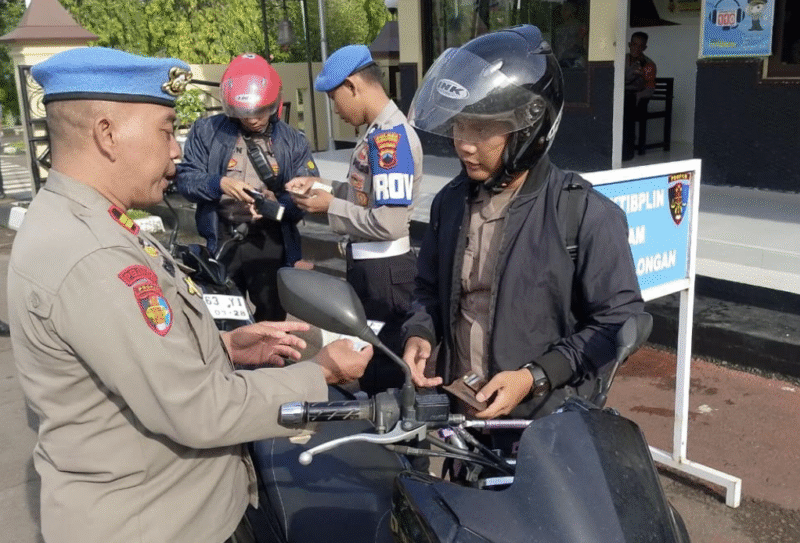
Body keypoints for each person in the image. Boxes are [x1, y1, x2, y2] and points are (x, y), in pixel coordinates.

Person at [7, 47, 372, 543]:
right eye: (165, 129)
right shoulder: (92, 257)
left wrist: (224, 347)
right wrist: (321, 373)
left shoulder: (88, 223)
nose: (176, 150)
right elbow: (200, 409)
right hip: (157, 524)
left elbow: (131, 363)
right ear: (107, 134)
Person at [401, 25, 644, 421]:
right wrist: (420, 333)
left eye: (481, 126)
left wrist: (535, 377)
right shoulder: (449, 204)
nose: (464, 142)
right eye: (459, 123)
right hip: (461, 417)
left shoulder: (585, 214)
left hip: (545, 424)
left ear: (528, 129)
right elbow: (428, 289)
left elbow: (618, 321)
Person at [285, 45, 423, 396]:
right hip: (373, 268)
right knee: (375, 368)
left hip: (386, 272)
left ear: (352, 86)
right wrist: (320, 186)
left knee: (389, 377)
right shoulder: (377, 132)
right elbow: (365, 193)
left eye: (335, 99)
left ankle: (404, 449)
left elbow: (389, 223)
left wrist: (329, 205)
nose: (336, 110)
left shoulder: (391, 139)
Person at [175, 53, 319, 322]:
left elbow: (308, 198)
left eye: (260, 111)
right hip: (223, 238)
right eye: (245, 114)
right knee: (226, 321)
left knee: (272, 319)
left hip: (270, 242)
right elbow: (184, 180)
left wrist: (273, 205)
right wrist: (219, 184)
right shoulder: (207, 132)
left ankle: (273, 364)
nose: (253, 120)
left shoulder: (293, 141)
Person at [623, 31, 657, 160]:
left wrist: (638, 96)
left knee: (627, 107)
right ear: (629, 44)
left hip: (635, 99)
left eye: (640, 46)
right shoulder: (621, 59)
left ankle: (626, 153)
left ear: (644, 48)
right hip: (620, 95)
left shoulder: (648, 65)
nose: (636, 48)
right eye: (634, 44)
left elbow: (650, 88)